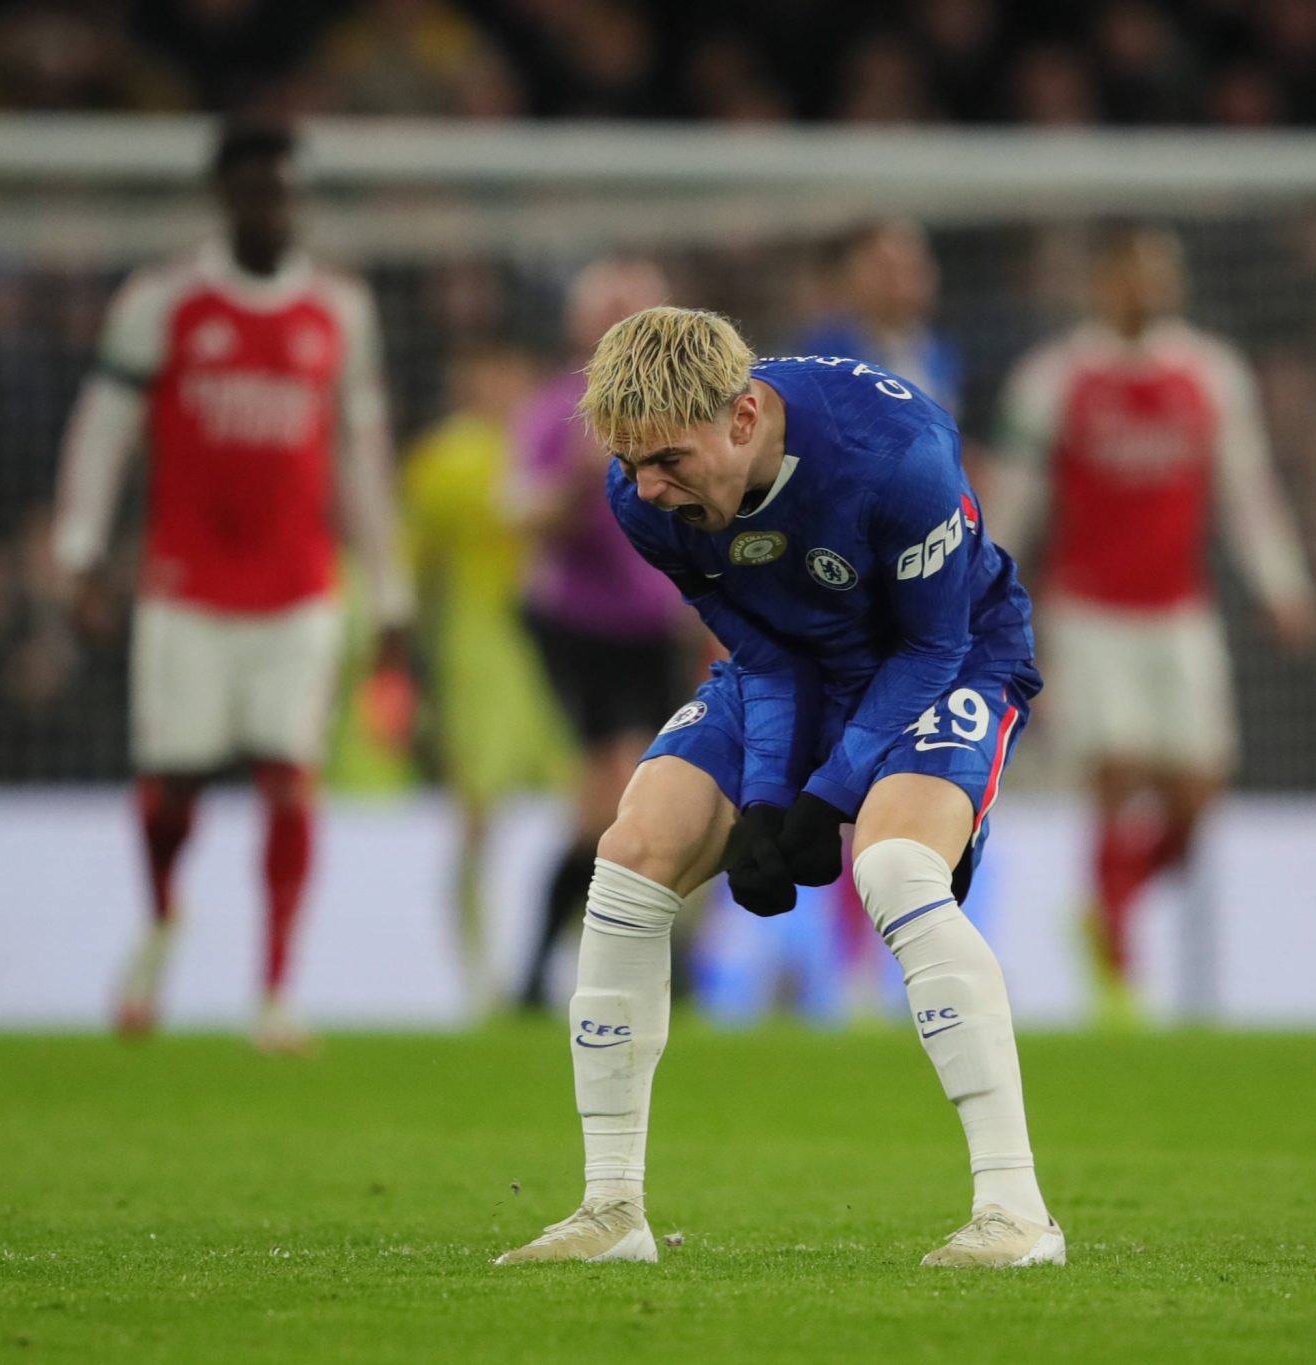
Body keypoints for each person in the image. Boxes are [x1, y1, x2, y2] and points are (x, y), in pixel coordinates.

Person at [496, 307, 1062, 1270]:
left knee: (890, 865)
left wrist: (828, 798)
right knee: (630, 856)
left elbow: (931, 644)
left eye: (669, 460)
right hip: (794, 660)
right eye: (632, 464)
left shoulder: (896, 450)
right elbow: (757, 649)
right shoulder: (641, 497)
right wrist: (765, 802)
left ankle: (1016, 1213)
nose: (648, 488)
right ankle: (611, 1210)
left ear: (745, 419)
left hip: (950, 660)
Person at [52, 120, 409, 1052]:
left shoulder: (339, 309)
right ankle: (164, 916)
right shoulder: (162, 301)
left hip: (298, 589)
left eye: (283, 191)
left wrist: (391, 591)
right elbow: (103, 430)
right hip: (185, 587)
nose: (270, 208)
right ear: (224, 198)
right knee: (171, 788)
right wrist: (81, 549)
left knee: (290, 782)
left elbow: (362, 460)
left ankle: (276, 991)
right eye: (254, 190)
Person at [991, 222, 1316, 1022]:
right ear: (1102, 283)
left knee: (1198, 791)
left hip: (1180, 613)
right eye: (1134, 272)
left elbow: (1247, 486)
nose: (1150, 286)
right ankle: (1120, 979)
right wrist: (983, 583)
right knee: (1118, 772)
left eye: (1161, 272)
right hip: (1090, 612)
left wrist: (1283, 582)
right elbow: (1016, 492)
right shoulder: (1054, 378)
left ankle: (1110, 904)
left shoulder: (1211, 373)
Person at [512, 258, 693, 1011]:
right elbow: (516, 516)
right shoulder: (556, 411)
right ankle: (545, 976)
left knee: (669, 806)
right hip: (579, 627)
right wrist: (580, 482)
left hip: (659, 632)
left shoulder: (690, 417)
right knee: (613, 797)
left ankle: (636, 975)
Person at [401, 342, 576, 1005]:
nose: (499, 382)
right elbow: (414, 563)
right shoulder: (446, 460)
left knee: (597, 808)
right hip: (479, 659)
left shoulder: (556, 441)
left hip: (556, 653)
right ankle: (477, 977)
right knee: (478, 818)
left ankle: (568, 958)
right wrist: (408, 665)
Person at [792, 218, 962, 414]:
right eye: (887, 270)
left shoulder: (939, 352)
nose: (903, 283)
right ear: (854, 277)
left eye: (913, 269)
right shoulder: (822, 355)